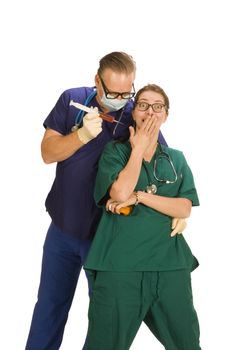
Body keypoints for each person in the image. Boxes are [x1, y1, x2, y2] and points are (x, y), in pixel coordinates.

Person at [25, 52, 185, 350]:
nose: (121, 100)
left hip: (106, 239)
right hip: (62, 229)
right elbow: (48, 153)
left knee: (103, 321)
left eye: (128, 93)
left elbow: (162, 166)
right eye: (113, 93)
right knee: (49, 308)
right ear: (96, 82)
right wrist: (81, 136)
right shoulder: (72, 101)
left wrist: (176, 209)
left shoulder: (136, 116)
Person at [84, 84, 201, 350]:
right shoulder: (115, 152)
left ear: (166, 115)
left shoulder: (176, 159)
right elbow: (119, 190)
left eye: (158, 106)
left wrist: (140, 197)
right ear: (134, 113)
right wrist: (137, 149)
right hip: (119, 269)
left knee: (187, 344)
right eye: (143, 105)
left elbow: (184, 207)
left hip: (170, 267)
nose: (151, 111)